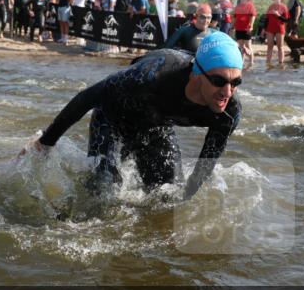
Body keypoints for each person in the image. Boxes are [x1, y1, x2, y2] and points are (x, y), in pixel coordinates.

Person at [28, 32, 243, 200]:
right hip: (112, 121)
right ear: (197, 74)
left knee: (168, 195)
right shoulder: (151, 76)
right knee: (103, 193)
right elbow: (87, 98)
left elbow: (205, 165)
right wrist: (45, 143)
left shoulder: (228, 111)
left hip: (156, 128)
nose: (227, 91)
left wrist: (188, 199)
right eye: (219, 81)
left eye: (236, 82)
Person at [232, 0, 257, 68]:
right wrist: (232, 26)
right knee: (241, 46)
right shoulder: (238, 6)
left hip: (247, 28)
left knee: (248, 45)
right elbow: (234, 17)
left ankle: (251, 62)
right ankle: (241, 62)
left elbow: (253, 16)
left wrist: (251, 25)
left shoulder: (250, 6)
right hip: (238, 28)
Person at [264, 0, 289, 67]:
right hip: (270, 28)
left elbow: (286, 20)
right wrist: (263, 29)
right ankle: (268, 63)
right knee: (269, 46)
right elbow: (266, 19)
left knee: (280, 46)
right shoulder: (270, 7)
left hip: (280, 28)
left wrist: (278, 15)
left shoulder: (284, 7)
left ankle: (281, 63)